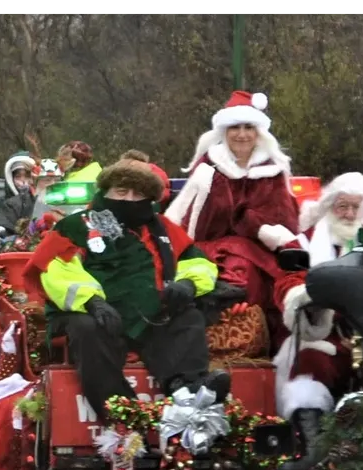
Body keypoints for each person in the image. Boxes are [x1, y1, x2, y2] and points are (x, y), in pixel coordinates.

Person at [22, 152, 229, 421]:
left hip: (150, 314)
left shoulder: (163, 228)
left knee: (187, 317)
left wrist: (188, 284)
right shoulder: (75, 226)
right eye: (122, 192)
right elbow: (56, 271)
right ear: (107, 191)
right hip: (95, 314)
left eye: (137, 194)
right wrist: (92, 302)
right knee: (86, 330)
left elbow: (197, 261)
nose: (129, 200)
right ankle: (121, 413)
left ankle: (187, 388)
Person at [261, 172, 363, 470]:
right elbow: (290, 281)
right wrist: (305, 298)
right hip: (327, 337)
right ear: (328, 207)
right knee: (309, 369)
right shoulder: (308, 241)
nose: (349, 214)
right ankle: (314, 452)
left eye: (355, 207)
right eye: (341, 206)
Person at [164, 90, 298, 334]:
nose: (242, 134)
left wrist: (252, 223)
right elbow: (187, 216)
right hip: (209, 248)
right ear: (224, 131)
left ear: (258, 132)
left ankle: (250, 333)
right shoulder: (207, 168)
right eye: (235, 127)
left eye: (249, 127)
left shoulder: (273, 172)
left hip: (258, 253)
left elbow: (285, 222)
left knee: (246, 272)